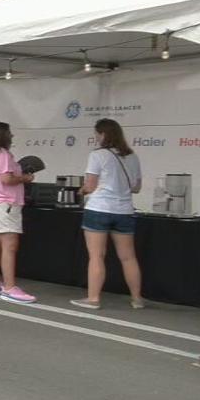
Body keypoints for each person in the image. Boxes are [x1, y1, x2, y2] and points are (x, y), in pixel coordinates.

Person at [74, 118, 145, 310]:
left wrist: (82, 191)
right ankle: (137, 298)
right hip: (124, 211)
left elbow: (90, 185)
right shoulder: (132, 156)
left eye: (96, 134)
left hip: (99, 208)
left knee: (97, 256)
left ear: (103, 134)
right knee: (128, 257)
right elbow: (136, 187)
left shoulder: (97, 155)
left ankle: (93, 298)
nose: (95, 138)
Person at [0, 122, 35, 304]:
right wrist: (24, 178)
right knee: (10, 245)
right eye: (9, 133)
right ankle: (10, 287)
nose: (12, 136)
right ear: (2, 135)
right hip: (5, 204)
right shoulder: (2, 154)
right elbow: (6, 179)